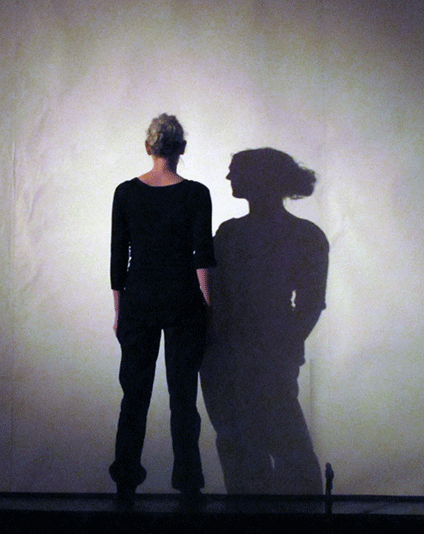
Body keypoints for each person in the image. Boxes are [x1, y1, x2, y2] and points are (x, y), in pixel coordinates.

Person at [200, 148, 329, 494]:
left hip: (236, 359)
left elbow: (310, 306)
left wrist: (276, 351)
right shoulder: (302, 235)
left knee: (252, 455)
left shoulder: (233, 234)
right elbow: (310, 306)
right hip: (239, 359)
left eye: (236, 170)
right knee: (269, 453)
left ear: (260, 178)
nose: (229, 177)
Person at [109, 114, 216, 506]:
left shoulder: (125, 193)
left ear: (148, 147)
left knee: (133, 398)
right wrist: (208, 306)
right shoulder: (196, 194)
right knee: (183, 399)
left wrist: (119, 312)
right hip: (183, 301)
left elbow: (118, 259)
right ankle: (188, 484)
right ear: (181, 148)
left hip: (138, 301)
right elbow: (202, 255)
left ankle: (125, 483)